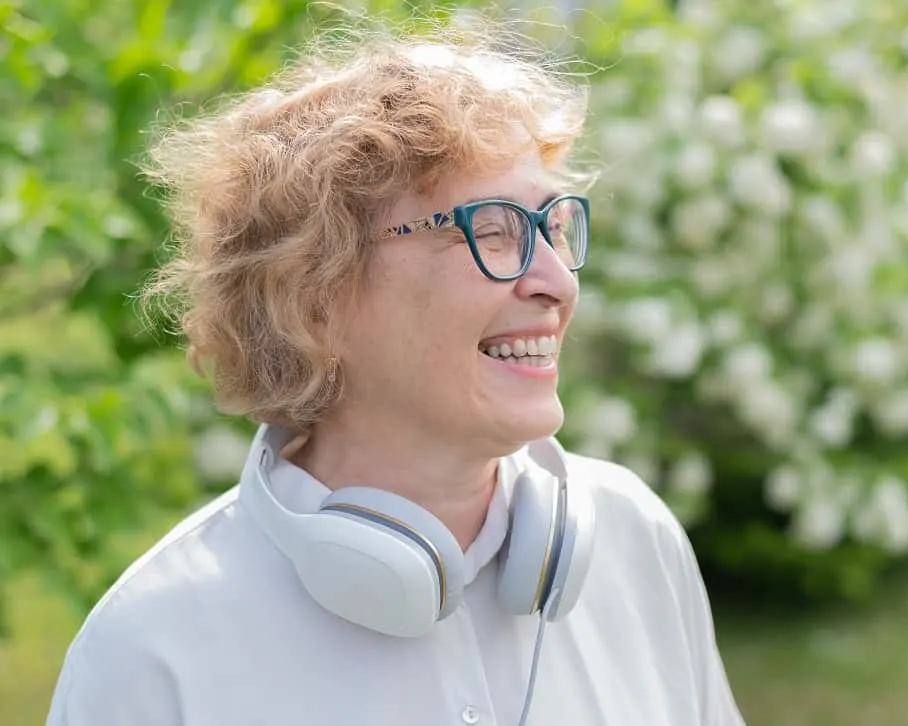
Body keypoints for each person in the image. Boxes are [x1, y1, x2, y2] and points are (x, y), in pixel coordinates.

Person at [45, 18, 746, 726]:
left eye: (552, 228)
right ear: (312, 296)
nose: (556, 282)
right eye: (491, 228)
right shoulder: (153, 652)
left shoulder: (636, 538)